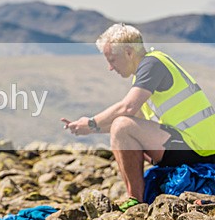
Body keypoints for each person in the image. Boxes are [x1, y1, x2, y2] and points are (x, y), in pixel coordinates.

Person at [62, 23, 215, 210]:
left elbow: (127, 109)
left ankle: (136, 200)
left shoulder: (152, 64)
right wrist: (85, 128)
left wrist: (92, 123)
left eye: (112, 60)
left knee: (122, 126)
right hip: (191, 143)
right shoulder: (146, 72)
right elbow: (133, 124)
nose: (110, 67)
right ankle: (135, 198)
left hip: (198, 147)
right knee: (121, 128)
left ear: (128, 52)